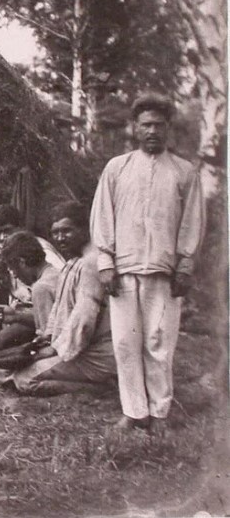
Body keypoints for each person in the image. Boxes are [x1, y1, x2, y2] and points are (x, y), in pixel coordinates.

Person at [90, 93, 204, 434]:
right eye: (146, 125)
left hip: (164, 273)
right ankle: (134, 412)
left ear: (168, 128)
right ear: (135, 128)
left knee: (160, 344)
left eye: (158, 125)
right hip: (123, 270)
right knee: (125, 343)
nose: (152, 131)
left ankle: (160, 412)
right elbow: (103, 216)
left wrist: (185, 265)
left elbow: (192, 222)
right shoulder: (117, 168)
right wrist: (105, 262)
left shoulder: (184, 172)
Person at [0, 202, 117, 396]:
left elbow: (83, 320)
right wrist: (47, 338)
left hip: (97, 354)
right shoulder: (72, 262)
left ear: (84, 229)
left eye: (67, 231)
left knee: (24, 379)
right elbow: (58, 310)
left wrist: (55, 349)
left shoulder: (91, 263)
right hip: (78, 350)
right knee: (8, 370)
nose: (60, 238)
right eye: (56, 232)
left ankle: (101, 388)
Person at [0, 231, 61, 351]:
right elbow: (53, 317)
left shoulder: (41, 288)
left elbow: (49, 338)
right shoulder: (54, 273)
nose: (15, 276)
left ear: (22, 262)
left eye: (13, 269)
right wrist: (16, 315)